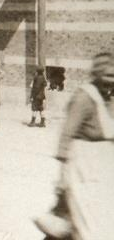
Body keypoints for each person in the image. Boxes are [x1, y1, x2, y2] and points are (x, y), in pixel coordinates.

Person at [34, 52, 114, 239]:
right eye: (109, 75)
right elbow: (66, 136)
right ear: (97, 73)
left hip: (101, 172)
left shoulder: (108, 99)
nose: (112, 80)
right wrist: (63, 177)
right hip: (82, 169)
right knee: (84, 223)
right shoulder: (84, 97)